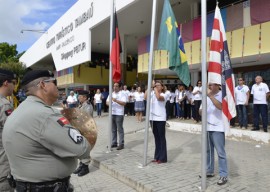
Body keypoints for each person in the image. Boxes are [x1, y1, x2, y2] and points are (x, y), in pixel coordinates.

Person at [2, 70, 90, 192]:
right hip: (46, 187)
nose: (57, 86)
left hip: (26, 185)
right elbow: (82, 148)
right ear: (43, 85)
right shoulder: (44, 115)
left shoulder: (21, 110)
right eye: (54, 82)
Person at [200, 83, 228, 185]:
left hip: (218, 128)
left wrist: (210, 96)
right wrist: (201, 111)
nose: (209, 87)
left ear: (217, 86)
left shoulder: (222, 95)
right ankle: (209, 171)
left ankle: (223, 174)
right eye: (209, 85)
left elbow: (221, 107)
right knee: (208, 151)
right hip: (207, 127)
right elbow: (200, 110)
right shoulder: (206, 96)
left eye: (211, 85)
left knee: (220, 153)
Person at [0, 69, 16, 192]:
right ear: (6, 83)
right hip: (2, 165)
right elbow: (13, 134)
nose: (14, 86)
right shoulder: (4, 104)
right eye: (13, 82)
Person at [145, 81, 168, 164]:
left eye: (158, 85)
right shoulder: (152, 93)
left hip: (160, 119)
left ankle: (163, 158)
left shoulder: (166, 94)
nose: (156, 86)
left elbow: (159, 98)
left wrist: (154, 89)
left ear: (162, 87)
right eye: (155, 85)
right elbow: (145, 97)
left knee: (161, 138)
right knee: (156, 138)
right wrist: (149, 87)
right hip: (152, 118)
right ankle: (157, 156)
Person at [73, 90, 93, 177]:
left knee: (85, 148)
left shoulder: (88, 106)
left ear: (84, 97)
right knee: (81, 148)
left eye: (80, 96)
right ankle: (81, 164)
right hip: (80, 129)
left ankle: (85, 167)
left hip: (86, 130)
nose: (78, 98)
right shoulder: (81, 105)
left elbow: (85, 117)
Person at [106, 82, 127, 150]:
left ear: (120, 87)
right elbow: (107, 102)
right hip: (112, 113)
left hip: (119, 114)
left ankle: (121, 144)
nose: (114, 87)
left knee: (120, 129)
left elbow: (124, 103)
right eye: (114, 86)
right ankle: (114, 142)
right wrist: (110, 103)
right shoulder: (111, 94)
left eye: (116, 86)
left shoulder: (122, 94)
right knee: (113, 129)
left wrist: (116, 100)